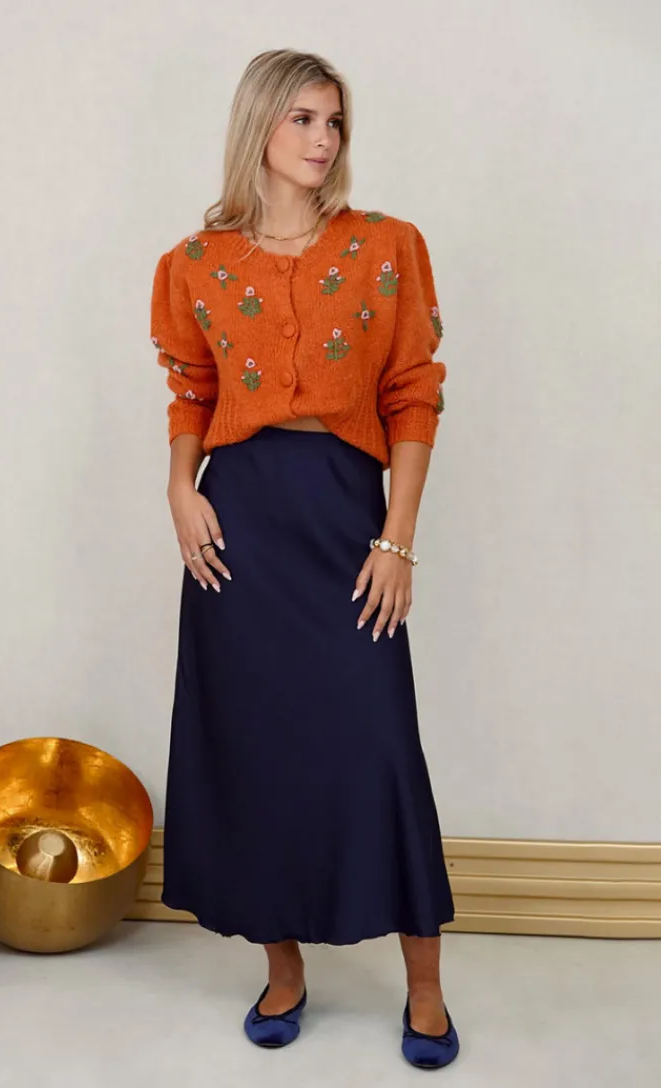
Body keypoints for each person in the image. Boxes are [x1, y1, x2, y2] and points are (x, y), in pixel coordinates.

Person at [149, 48, 459, 1070]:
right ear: (261, 128)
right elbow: (191, 388)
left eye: (335, 122)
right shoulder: (195, 262)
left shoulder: (385, 247)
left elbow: (413, 393)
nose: (324, 139)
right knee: (255, 748)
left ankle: (425, 987)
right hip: (238, 524)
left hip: (343, 516)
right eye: (304, 120)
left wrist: (396, 536)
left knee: (380, 744)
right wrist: (179, 489)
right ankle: (283, 971)